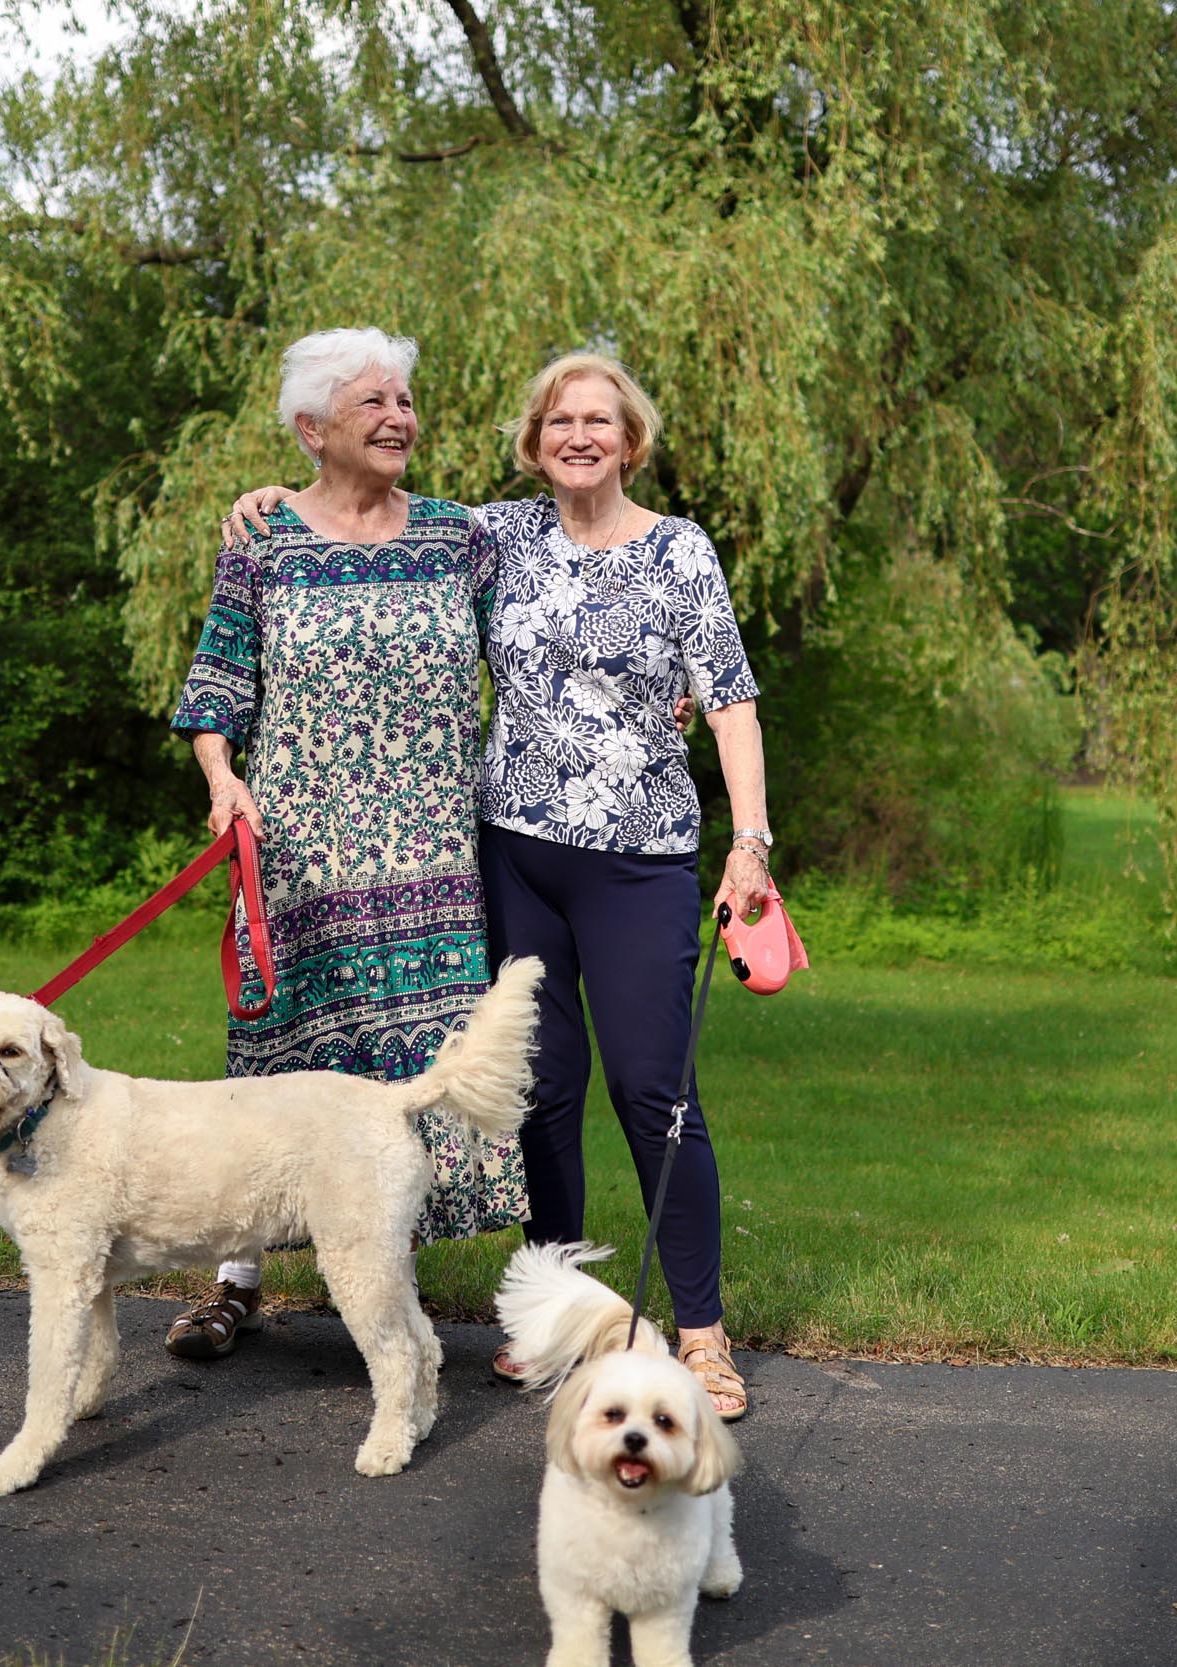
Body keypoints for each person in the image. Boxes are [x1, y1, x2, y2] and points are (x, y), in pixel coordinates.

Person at [225, 353, 772, 1418]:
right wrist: (272, 501)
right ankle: (552, 1314)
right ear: (533, 441)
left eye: (598, 421)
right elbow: (363, 508)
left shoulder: (679, 551)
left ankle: (701, 1336)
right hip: (515, 854)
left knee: (654, 1093)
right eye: (558, 420)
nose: (578, 435)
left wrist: (749, 840)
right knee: (542, 1097)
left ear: (630, 438)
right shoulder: (492, 536)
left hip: (639, 859)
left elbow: (732, 700)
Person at [161, 326, 527, 1361]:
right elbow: (219, 681)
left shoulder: (462, 535)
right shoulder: (263, 538)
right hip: (299, 849)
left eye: (405, 399)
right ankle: (237, 1280)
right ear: (311, 429)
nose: (399, 417)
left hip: (432, 854)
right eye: (373, 402)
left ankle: (421, 1288)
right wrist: (222, 778)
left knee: (437, 1064)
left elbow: (537, 651)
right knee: (283, 1066)